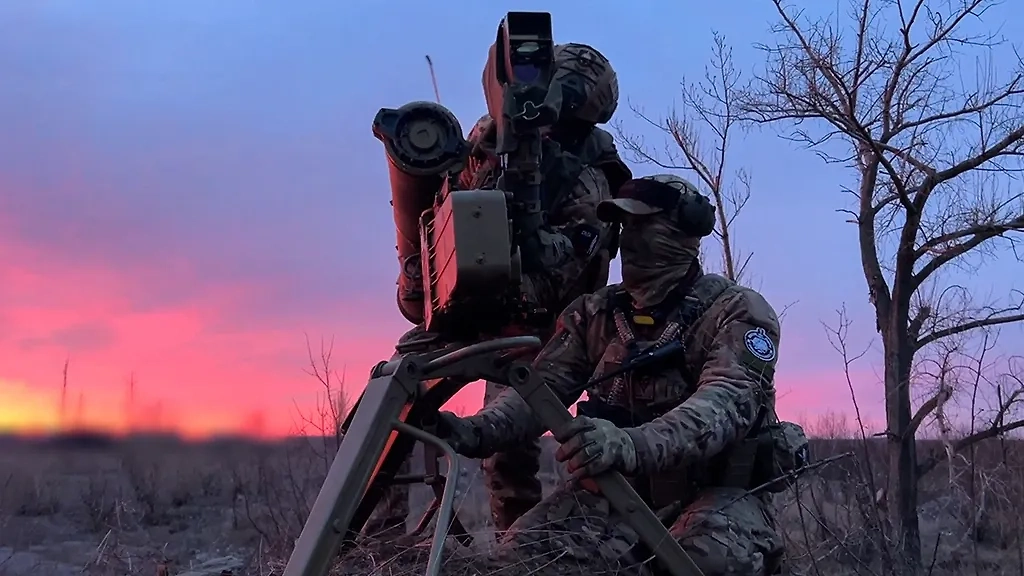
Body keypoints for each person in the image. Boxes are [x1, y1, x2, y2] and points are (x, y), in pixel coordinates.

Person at [433, 174, 809, 576]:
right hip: (615, 493)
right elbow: (540, 391)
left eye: (643, 225)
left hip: (716, 496)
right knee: (516, 562)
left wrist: (630, 444)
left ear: (683, 233)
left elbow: (723, 404)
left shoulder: (736, 311)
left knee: (702, 562)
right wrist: (471, 431)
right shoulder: (595, 313)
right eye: (624, 227)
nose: (628, 241)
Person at [360, 41, 633, 540]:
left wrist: (520, 243)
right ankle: (371, 537)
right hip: (468, 309)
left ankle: (518, 551)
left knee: (508, 451)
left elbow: (563, 269)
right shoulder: (492, 139)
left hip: (539, 325)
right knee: (380, 410)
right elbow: (446, 208)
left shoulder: (590, 183)